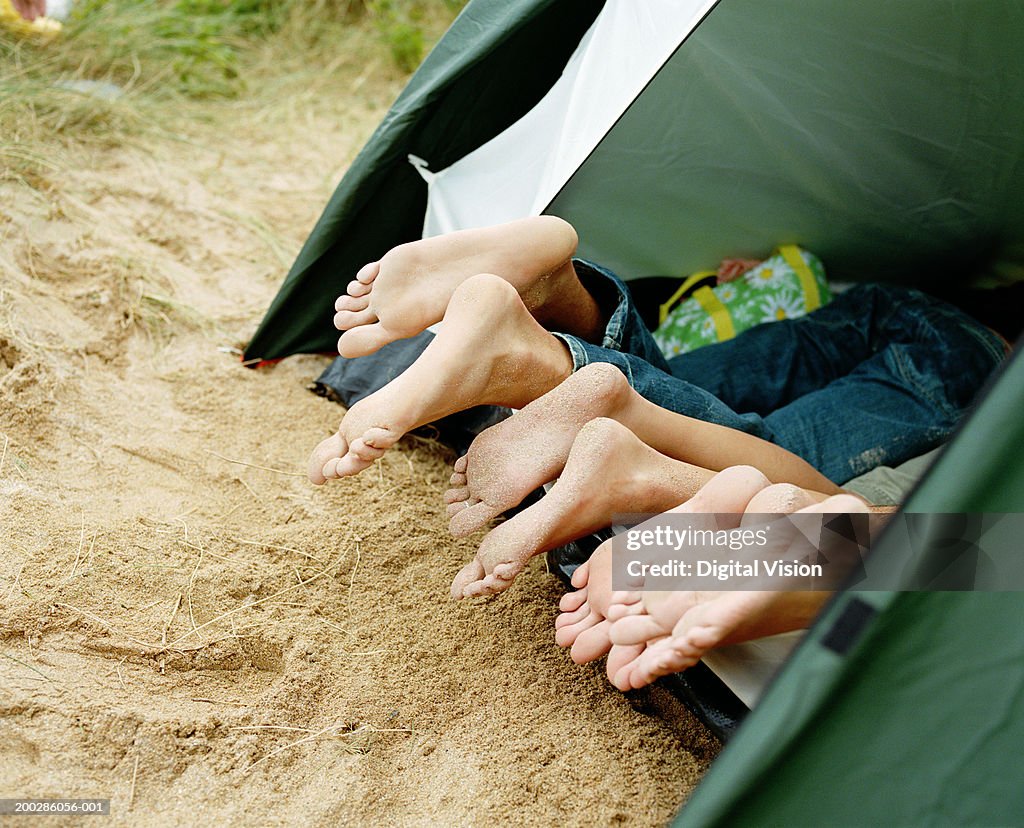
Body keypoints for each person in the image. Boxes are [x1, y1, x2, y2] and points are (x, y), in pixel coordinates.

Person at [308, 216, 1005, 489]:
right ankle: (536, 362)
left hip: (878, 302)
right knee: (763, 455)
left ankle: (561, 294)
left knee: (680, 389)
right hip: (974, 354)